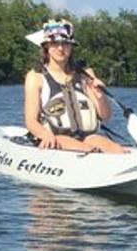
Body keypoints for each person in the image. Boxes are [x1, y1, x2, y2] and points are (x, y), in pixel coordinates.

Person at [23, 18, 126, 154]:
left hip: (87, 136)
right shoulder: (35, 77)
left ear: (71, 47)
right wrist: (45, 135)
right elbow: (31, 121)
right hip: (55, 136)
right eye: (55, 43)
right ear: (46, 46)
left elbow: (105, 116)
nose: (60, 48)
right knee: (86, 149)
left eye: (65, 44)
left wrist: (100, 96)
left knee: (117, 150)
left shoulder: (86, 74)